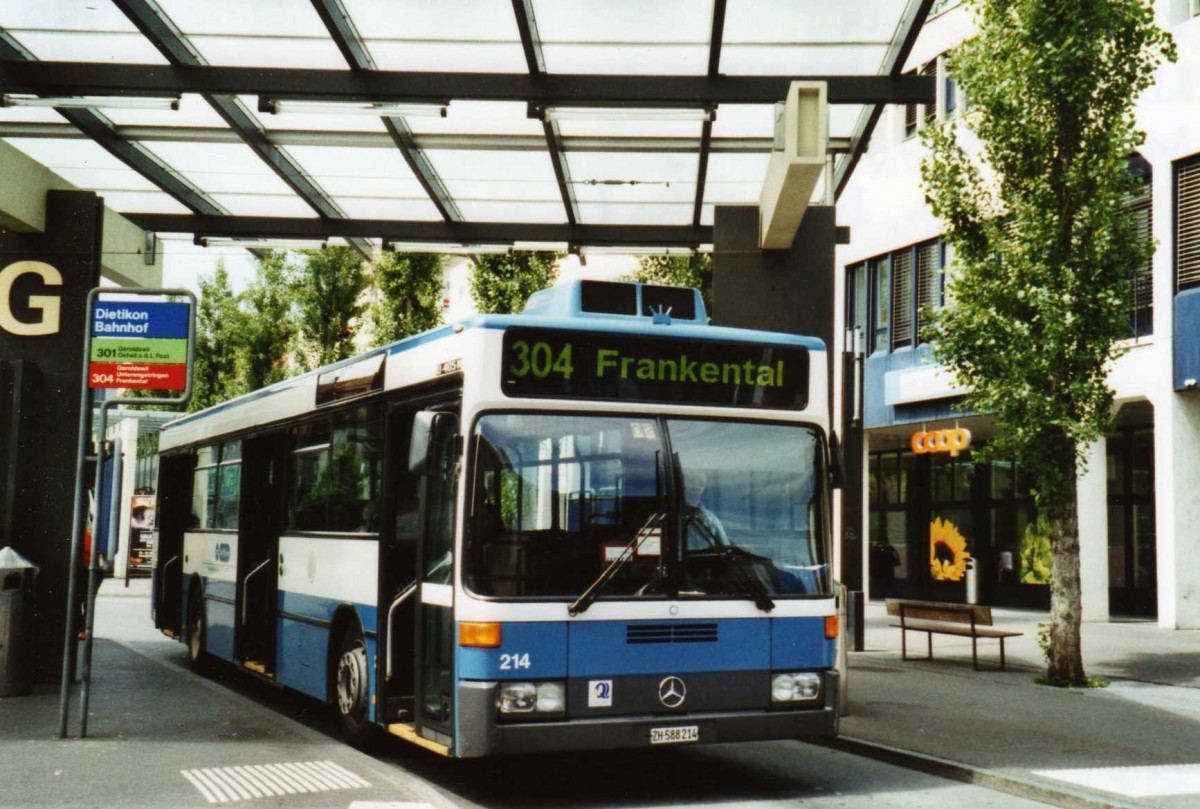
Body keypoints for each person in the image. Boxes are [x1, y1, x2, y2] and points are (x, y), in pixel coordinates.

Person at [682, 470, 729, 549]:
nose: (696, 486)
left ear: (704, 488)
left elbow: (725, 549)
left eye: (701, 483)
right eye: (691, 481)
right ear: (682, 483)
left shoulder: (711, 519)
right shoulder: (671, 515)